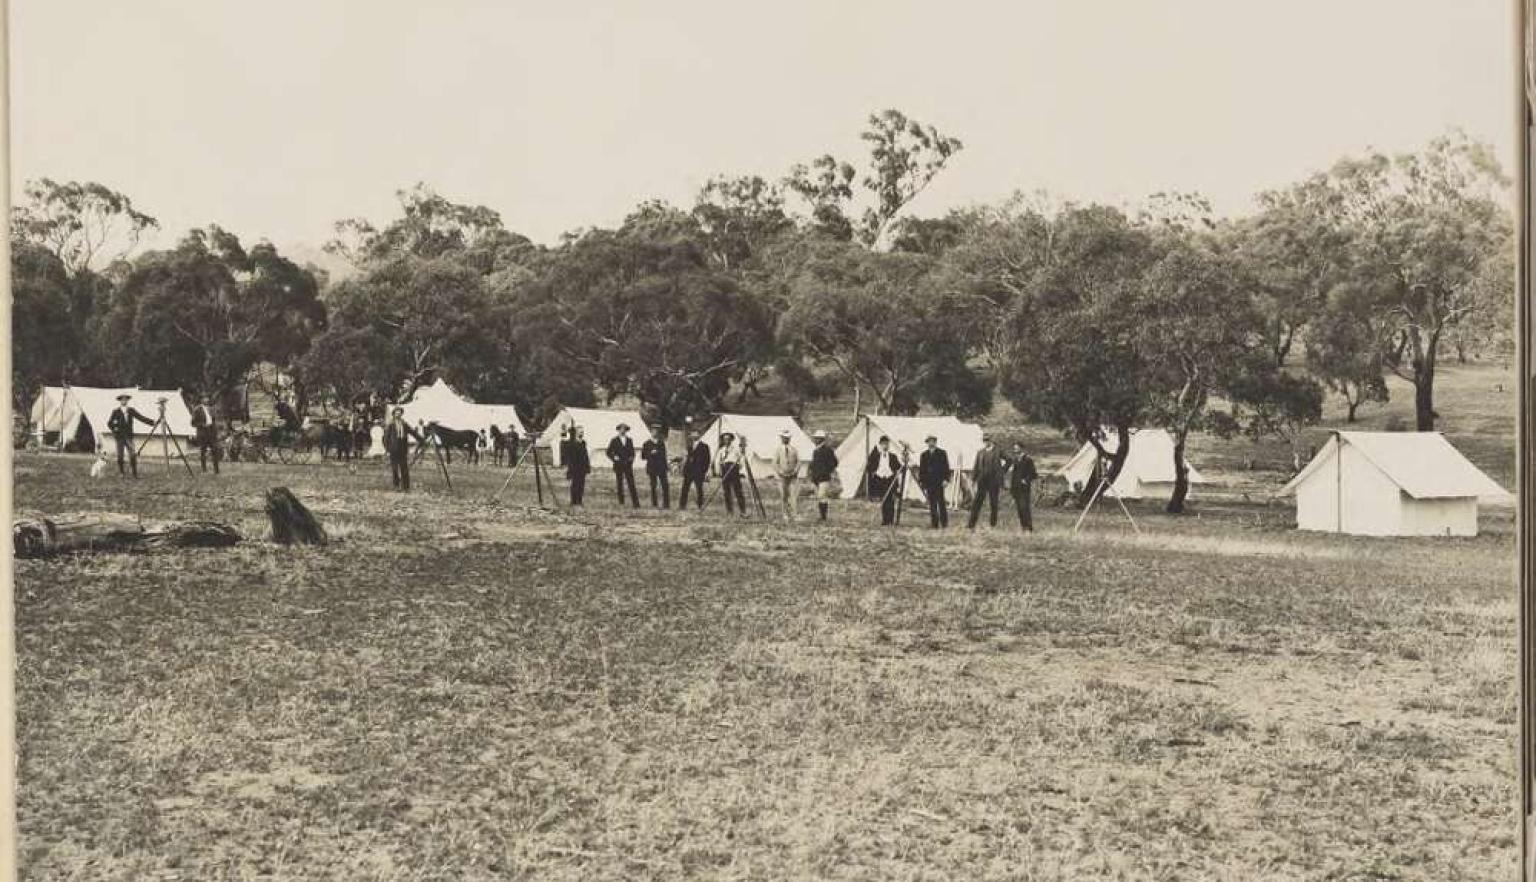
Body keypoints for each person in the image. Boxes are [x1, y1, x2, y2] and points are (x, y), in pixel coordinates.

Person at [106, 393, 155, 478]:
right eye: (122, 399)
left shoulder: (131, 410)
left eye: (126, 399)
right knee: (120, 456)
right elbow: (109, 423)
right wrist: (115, 429)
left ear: (127, 401)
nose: (124, 401)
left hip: (129, 436)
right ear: (120, 401)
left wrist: (152, 422)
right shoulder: (116, 411)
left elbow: (140, 417)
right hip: (119, 437)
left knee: (132, 455)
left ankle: (135, 474)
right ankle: (121, 473)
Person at [968, 434, 1006, 530]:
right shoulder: (980, 452)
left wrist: (1002, 470)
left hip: (994, 481)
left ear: (991, 440)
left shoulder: (998, 451)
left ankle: (993, 524)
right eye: (984, 440)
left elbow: (1009, 460)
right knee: (977, 502)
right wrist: (973, 479)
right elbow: (976, 466)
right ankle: (971, 524)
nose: (986, 442)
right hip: (982, 481)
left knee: (993, 503)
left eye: (988, 440)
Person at [382, 406, 422, 491]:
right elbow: (385, 438)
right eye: (396, 412)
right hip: (393, 449)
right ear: (393, 414)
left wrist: (421, 439)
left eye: (400, 412)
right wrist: (387, 449)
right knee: (395, 469)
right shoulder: (390, 424)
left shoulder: (404, 423)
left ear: (401, 414)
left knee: (404, 468)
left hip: (402, 448)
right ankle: (396, 486)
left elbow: (412, 432)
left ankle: (406, 486)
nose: (398, 413)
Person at [866, 435, 902, 526]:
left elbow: (899, 467)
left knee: (891, 500)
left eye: (887, 444)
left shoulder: (893, 456)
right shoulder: (876, 456)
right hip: (880, 480)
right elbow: (869, 467)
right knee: (884, 499)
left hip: (890, 479)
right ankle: (885, 520)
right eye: (883, 444)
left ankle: (890, 520)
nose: (885, 446)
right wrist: (874, 473)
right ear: (880, 445)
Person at [917, 435, 952, 528]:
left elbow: (946, 467)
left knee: (941, 503)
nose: (931, 443)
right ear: (927, 443)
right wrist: (921, 481)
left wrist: (946, 480)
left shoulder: (942, 453)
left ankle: (944, 523)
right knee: (932, 504)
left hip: (939, 482)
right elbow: (922, 470)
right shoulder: (924, 455)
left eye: (932, 441)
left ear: (935, 442)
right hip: (929, 483)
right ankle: (934, 524)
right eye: (929, 442)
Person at [606, 423, 640, 508]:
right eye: (621, 429)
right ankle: (621, 502)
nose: (623, 430)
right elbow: (608, 452)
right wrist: (614, 457)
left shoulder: (629, 440)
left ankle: (636, 503)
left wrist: (631, 459)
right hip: (618, 464)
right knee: (619, 483)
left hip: (628, 465)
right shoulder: (614, 440)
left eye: (624, 429)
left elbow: (632, 452)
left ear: (626, 430)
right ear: (618, 430)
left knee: (631, 483)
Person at [807, 430, 839, 522]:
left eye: (817, 439)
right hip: (816, 477)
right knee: (819, 496)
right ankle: (821, 515)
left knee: (822, 496)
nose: (816, 440)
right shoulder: (815, 451)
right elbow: (814, 463)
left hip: (824, 477)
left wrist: (827, 470)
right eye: (815, 438)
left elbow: (834, 462)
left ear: (822, 439)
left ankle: (823, 516)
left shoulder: (828, 450)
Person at [1008, 440, 1038, 533]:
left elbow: (1033, 474)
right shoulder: (1015, 460)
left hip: (1024, 489)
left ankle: (1029, 528)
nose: (1015, 450)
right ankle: (1023, 527)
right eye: (1014, 448)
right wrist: (1011, 488)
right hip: (1016, 488)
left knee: (1024, 507)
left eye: (1017, 448)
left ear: (1021, 448)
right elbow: (1014, 475)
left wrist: (1026, 480)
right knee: (1019, 509)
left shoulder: (1028, 459)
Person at [715, 432, 747, 517]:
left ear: (731, 440)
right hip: (724, 470)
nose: (727, 441)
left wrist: (738, 468)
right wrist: (719, 470)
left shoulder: (736, 449)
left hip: (734, 470)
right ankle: (729, 511)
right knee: (726, 492)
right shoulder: (721, 450)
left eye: (728, 439)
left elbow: (742, 458)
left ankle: (743, 511)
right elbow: (718, 461)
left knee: (738, 491)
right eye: (725, 439)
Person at [771, 429, 800, 521]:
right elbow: (774, 463)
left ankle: (794, 514)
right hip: (782, 476)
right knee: (784, 495)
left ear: (790, 438)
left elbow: (799, 462)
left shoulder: (794, 449)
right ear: (781, 438)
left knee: (793, 495)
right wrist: (780, 472)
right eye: (784, 438)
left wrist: (795, 471)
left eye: (787, 438)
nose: (786, 439)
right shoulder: (778, 450)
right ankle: (785, 514)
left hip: (792, 476)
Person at [679, 430, 711, 510]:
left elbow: (707, 460)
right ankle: (682, 505)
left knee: (699, 489)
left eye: (695, 433)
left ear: (699, 435)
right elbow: (687, 458)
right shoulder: (689, 446)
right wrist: (684, 469)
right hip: (689, 471)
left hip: (698, 471)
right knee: (685, 488)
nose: (693, 435)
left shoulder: (704, 446)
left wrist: (704, 470)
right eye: (692, 433)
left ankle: (700, 505)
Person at [190, 394, 221, 474]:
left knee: (215, 450)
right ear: (201, 400)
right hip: (203, 433)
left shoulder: (211, 409)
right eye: (204, 398)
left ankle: (216, 470)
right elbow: (193, 423)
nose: (206, 400)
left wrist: (215, 429)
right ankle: (204, 469)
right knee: (203, 451)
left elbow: (214, 420)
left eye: (207, 398)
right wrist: (202, 425)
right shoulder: (197, 410)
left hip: (211, 432)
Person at [641, 425, 670, 509]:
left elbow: (664, 455)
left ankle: (666, 504)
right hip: (652, 467)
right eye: (653, 431)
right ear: (651, 432)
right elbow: (643, 456)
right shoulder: (646, 443)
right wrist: (650, 453)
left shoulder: (661, 443)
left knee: (665, 485)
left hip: (661, 467)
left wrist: (666, 466)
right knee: (653, 486)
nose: (655, 433)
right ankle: (654, 504)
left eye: (657, 431)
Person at [566, 427, 591, 506]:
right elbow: (570, 458)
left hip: (582, 467)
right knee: (575, 485)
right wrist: (570, 469)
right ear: (576, 433)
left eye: (582, 432)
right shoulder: (572, 444)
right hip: (575, 467)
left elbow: (585, 455)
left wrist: (587, 466)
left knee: (581, 485)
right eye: (580, 432)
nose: (581, 433)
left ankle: (579, 501)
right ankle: (573, 501)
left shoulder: (583, 443)